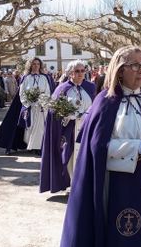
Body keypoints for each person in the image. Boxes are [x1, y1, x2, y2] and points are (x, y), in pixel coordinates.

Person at [60, 46, 141, 247]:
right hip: (123, 184)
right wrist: (137, 147)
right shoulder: (106, 101)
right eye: (135, 64)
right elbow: (98, 146)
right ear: (120, 69)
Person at [40, 60, 96, 193]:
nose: (81, 74)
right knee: (71, 155)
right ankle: (73, 183)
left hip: (86, 127)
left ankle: (85, 182)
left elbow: (95, 106)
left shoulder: (90, 87)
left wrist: (87, 115)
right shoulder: (62, 89)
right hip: (69, 129)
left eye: (83, 71)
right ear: (70, 73)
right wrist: (69, 115)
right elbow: (54, 110)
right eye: (77, 71)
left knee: (86, 154)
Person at [0, 57, 55, 155]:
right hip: (29, 107)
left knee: (40, 127)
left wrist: (42, 102)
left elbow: (47, 92)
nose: (36, 66)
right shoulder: (26, 78)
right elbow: (22, 93)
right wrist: (28, 102)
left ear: (40, 65)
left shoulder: (44, 78)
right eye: (34, 64)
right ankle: (31, 146)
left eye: (38, 64)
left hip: (41, 107)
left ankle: (38, 147)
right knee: (30, 127)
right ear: (30, 65)